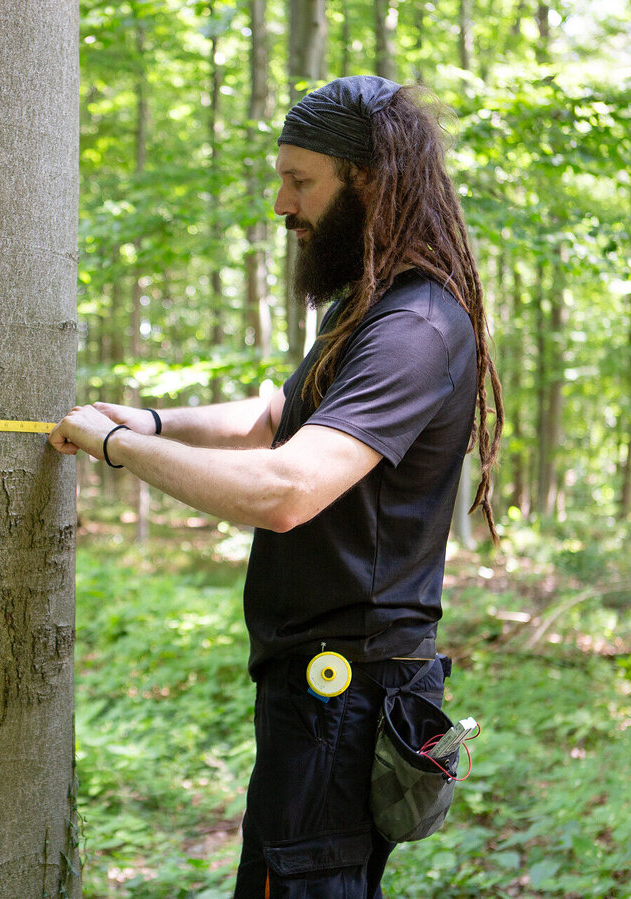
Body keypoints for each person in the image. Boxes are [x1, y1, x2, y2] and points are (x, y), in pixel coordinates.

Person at [49, 75, 503, 898]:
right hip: (319, 687)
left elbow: (289, 486)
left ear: (368, 180)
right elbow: (274, 418)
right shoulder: (367, 305)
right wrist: (150, 421)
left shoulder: (415, 328)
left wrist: (116, 449)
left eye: (301, 181)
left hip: (347, 693)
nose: (281, 204)